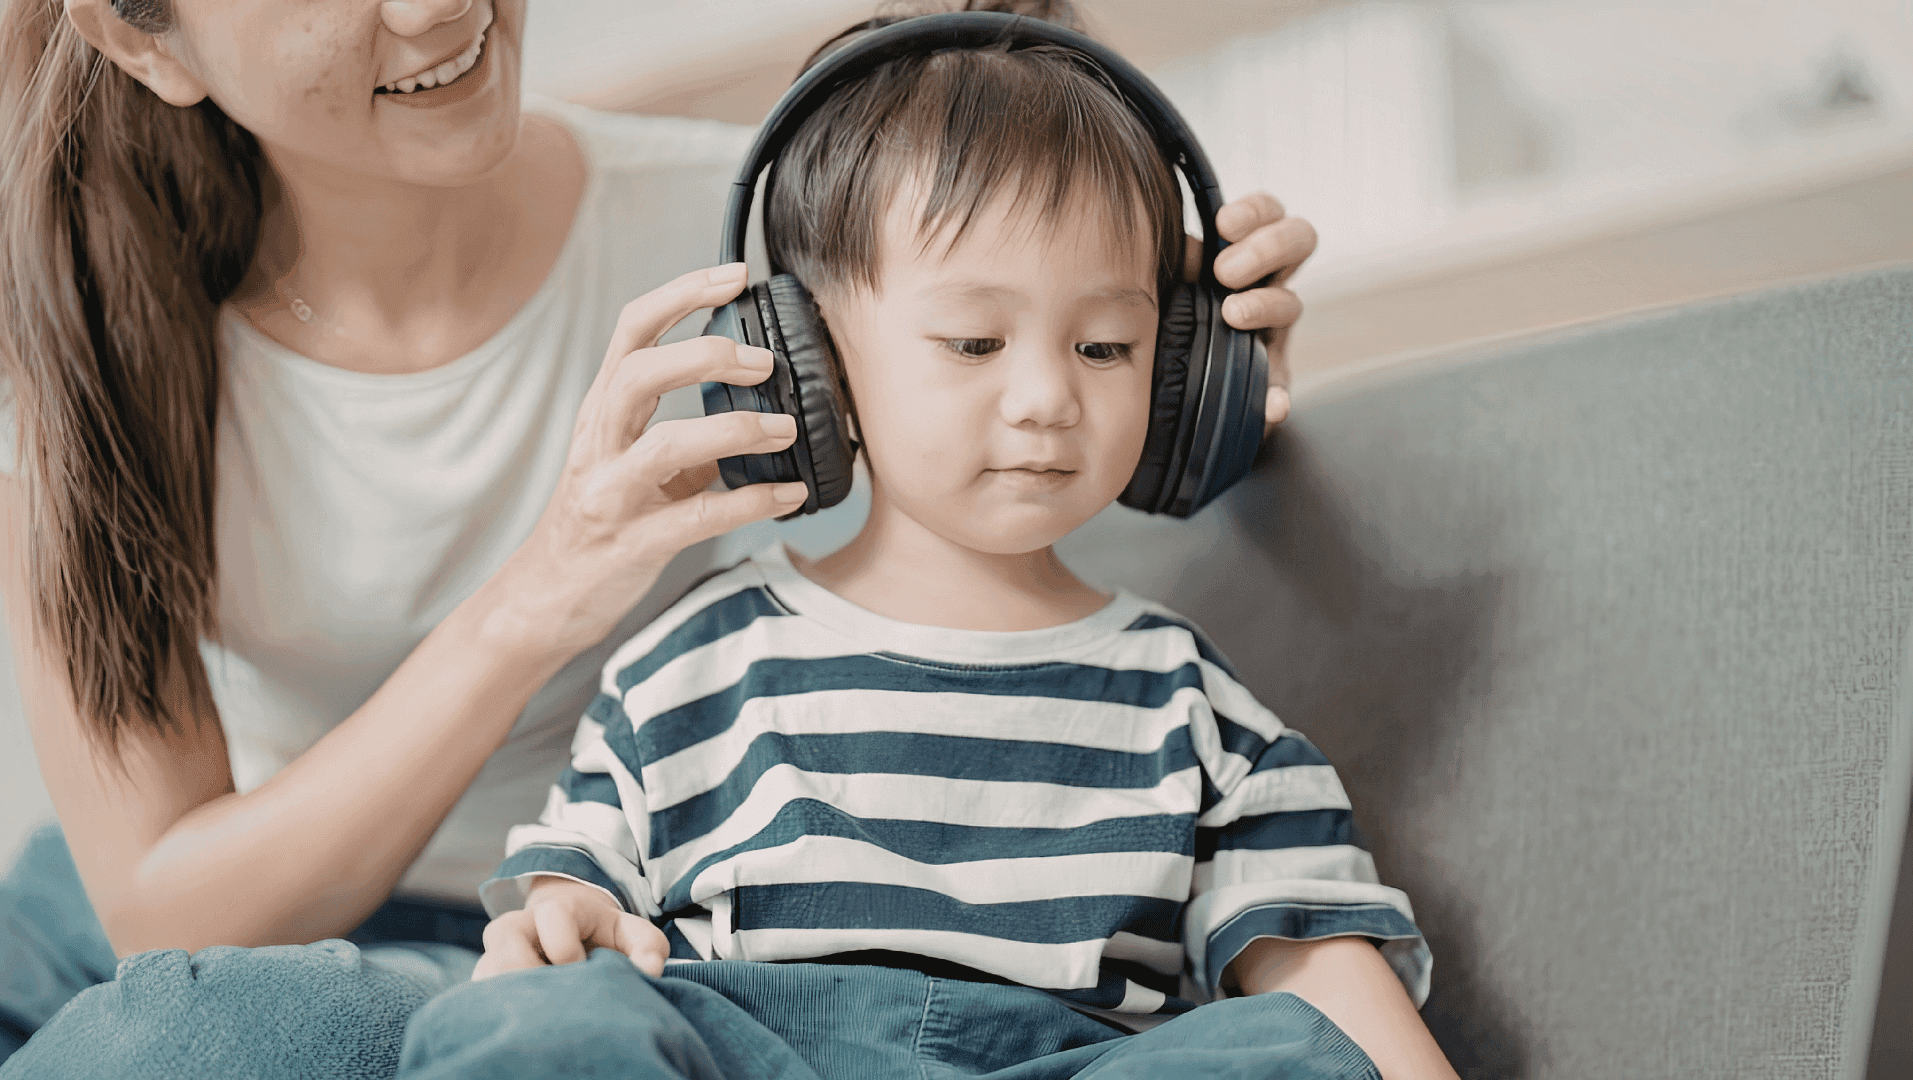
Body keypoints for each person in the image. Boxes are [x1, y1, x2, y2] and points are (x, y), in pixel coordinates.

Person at [0, 0, 1313, 1074]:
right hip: (233, 919)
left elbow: (1042, 420)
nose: (439, 7)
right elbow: (162, 914)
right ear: (144, 40)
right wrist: (541, 594)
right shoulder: (75, 346)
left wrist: (1186, 359)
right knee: (154, 1034)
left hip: (602, 932)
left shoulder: (752, 245)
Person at [432, 11, 1459, 1080]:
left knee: (1289, 1053)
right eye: (974, 340)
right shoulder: (688, 664)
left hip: (1062, 1061)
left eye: (1106, 345)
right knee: (516, 1020)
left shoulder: (1188, 704)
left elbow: (1328, 987)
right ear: (807, 361)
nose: (1047, 398)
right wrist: (564, 927)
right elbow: (578, 889)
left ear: (1179, 375)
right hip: (757, 1050)